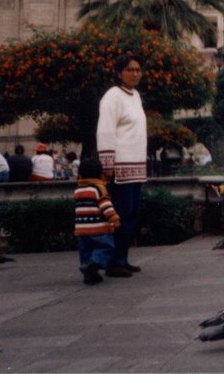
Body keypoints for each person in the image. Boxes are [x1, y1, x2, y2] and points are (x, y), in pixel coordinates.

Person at [97, 53, 148, 277]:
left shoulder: (135, 95)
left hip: (136, 168)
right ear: (119, 73)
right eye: (130, 70)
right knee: (120, 215)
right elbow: (105, 130)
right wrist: (107, 164)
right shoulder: (112, 96)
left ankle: (122, 258)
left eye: (138, 70)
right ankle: (113, 262)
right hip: (119, 169)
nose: (135, 74)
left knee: (131, 215)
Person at [74, 156, 121, 285]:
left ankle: (89, 274)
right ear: (100, 174)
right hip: (98, 227)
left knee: (86, 251)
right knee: (106, 247)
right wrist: (114, 218)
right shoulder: (99, 188)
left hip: (82, 228)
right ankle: (93, 265)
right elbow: (105, 205)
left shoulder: (78, 189)